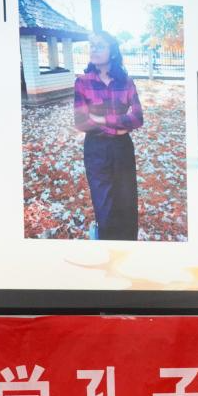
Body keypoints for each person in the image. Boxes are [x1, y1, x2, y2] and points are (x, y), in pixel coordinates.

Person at [73, 31, 144, 240]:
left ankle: (129, 246)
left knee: (127, 202)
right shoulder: (82, 83)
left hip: (122, 149)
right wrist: (119, 126)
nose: (93, 49)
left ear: (112, 52)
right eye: (92, 45)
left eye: (100, 45)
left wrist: (102, 119)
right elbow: (81, 122)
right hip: (96, 149)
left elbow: (138, 117)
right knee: (103, 204)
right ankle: (106, 245)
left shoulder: (126, 82)